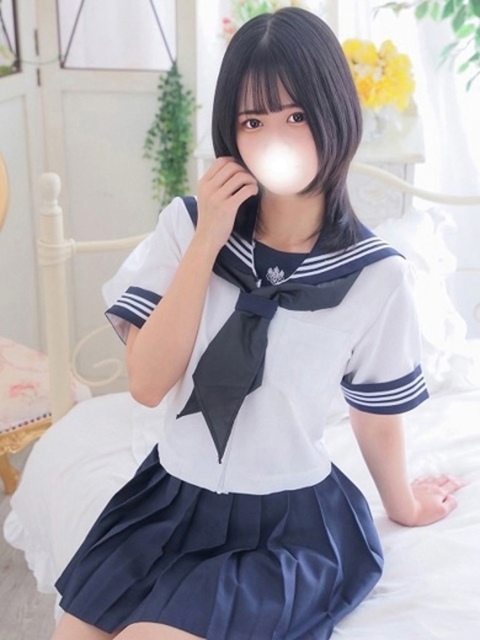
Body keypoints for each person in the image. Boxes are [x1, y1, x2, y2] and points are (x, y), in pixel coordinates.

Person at [51, 7, 463, 640]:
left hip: (286, 526)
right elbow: (148, 384)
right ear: (232, 133)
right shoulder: (188, 228)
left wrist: (403, 505)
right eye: (253, 121)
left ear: (335, 113)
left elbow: (375, 415)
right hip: (169, 500)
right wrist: (208, 238)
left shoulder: (377, 277)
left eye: (296, 115)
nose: (277, 138)